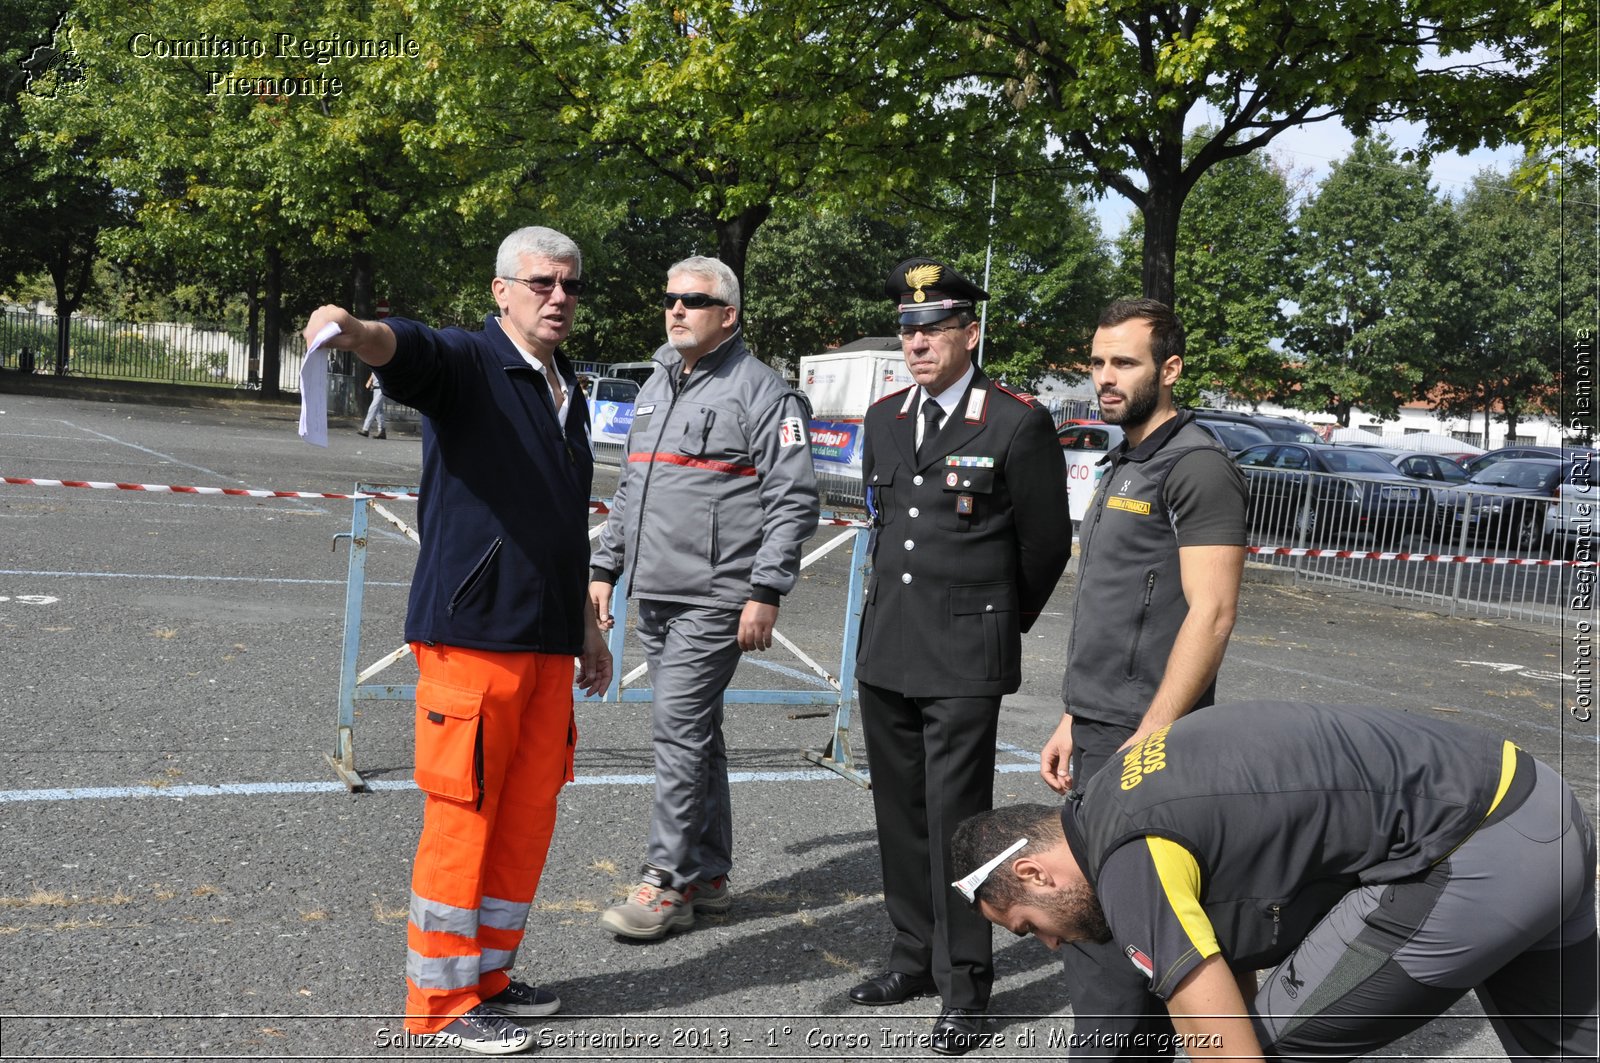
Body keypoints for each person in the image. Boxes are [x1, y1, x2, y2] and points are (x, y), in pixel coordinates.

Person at [302, 225, 612, 1057]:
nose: (558, 296)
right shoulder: (472, 363)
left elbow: (565, 522)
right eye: (541, 282)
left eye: (570, 285)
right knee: (464, 819)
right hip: (473, 636)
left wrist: (586, 624)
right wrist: (355, 329)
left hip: (546, 641)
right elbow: (405, 352)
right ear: (500, 290)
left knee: (526, 816)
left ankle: (489, 979)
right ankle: (438, 1004)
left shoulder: (564, 383)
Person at [952, 700, 1598, 1062]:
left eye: (1030, 926)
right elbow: (1223, 963)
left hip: (1478, 851)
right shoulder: (1116, 792)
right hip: (1544, 803)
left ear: (1032, 870)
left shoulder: (1126, 860)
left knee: (1260, 1049)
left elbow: (1225, 1046)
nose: (1052, 944)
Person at [849, 256, 1071, 1055]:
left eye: (933, 329)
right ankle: (913, 955)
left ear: (968, 333)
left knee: (961, 826)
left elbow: (1046, 544)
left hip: (963, 654)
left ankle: (967, 988)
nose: (916, 343)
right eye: (907, 330)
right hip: (889, 649)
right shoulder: (884, 417)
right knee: (899, 816)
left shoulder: (1014, 420)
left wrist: (993, 622)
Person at [1038, 298, 1248, 1060]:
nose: (1104, 377)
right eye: (1096, 362)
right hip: (1100, 727)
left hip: (1147, 738)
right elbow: (1118, 608)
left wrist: (1152, 728)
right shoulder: (1127, 458)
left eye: (1123, 362)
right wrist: (1073, 716)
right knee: (1111, 930)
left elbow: (1213, 612)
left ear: (1171, 368)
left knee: (1109, 931)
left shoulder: (1196, 464)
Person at [589, 255, 820, 941]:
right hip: (655, 590)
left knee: (678, 733)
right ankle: (710, 877)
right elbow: (633, 485)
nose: (677, 308)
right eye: (670, 298)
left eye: (693, 299)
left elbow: (793, 500)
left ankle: (665, 881)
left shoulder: (764, 393)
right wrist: (605, 564)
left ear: (730, 315)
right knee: (697, 736)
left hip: (717, 598)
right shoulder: (657, 383)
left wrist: (766, 588)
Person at [359, 371, 387, 438]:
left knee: (373, 408)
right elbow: (374, 372)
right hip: (376, 387)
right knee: (378, 410)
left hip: (382, 388)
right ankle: (382, 431)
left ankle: (365, 429)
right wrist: (370, 381)